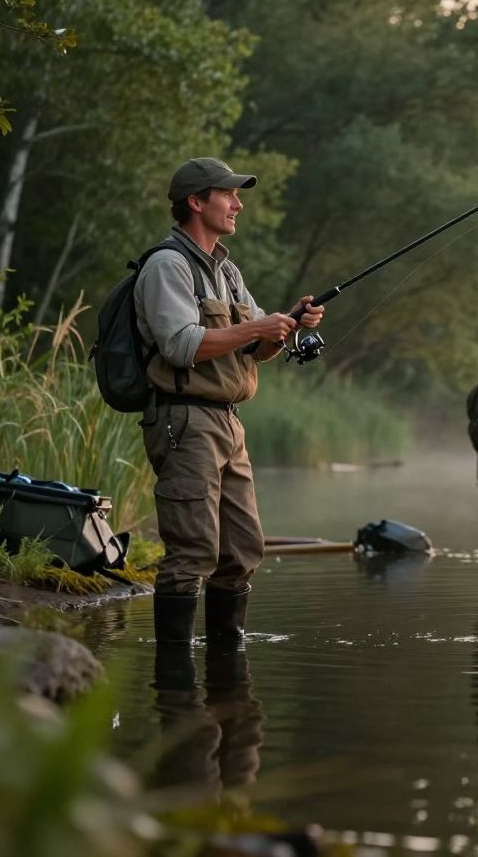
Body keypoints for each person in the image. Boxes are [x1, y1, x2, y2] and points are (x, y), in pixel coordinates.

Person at [136, 157, 324, 646]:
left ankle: (227, 665)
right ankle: (174, 675)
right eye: (228, 194)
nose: (238, 203)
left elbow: (255, 348)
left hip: (228, 422)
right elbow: (180, 345)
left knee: (242, 550)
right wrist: (259, 326)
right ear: (196, 202)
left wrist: (285, 327)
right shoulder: (167, 266)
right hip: (184, 421)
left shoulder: (228, 269)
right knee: (193, 550)